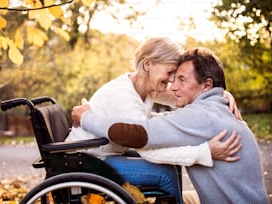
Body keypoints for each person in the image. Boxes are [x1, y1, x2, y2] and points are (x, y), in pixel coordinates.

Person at [71, 47, 269, 203]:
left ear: (207, 85)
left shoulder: (201, 116)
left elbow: (140, 132)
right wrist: (224, 92)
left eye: (181, 79)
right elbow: (150, 125)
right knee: (170, 176)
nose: (173, 86)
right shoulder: (216, 108)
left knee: (167, 174)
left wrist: (87, 117)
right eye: (173, 78)